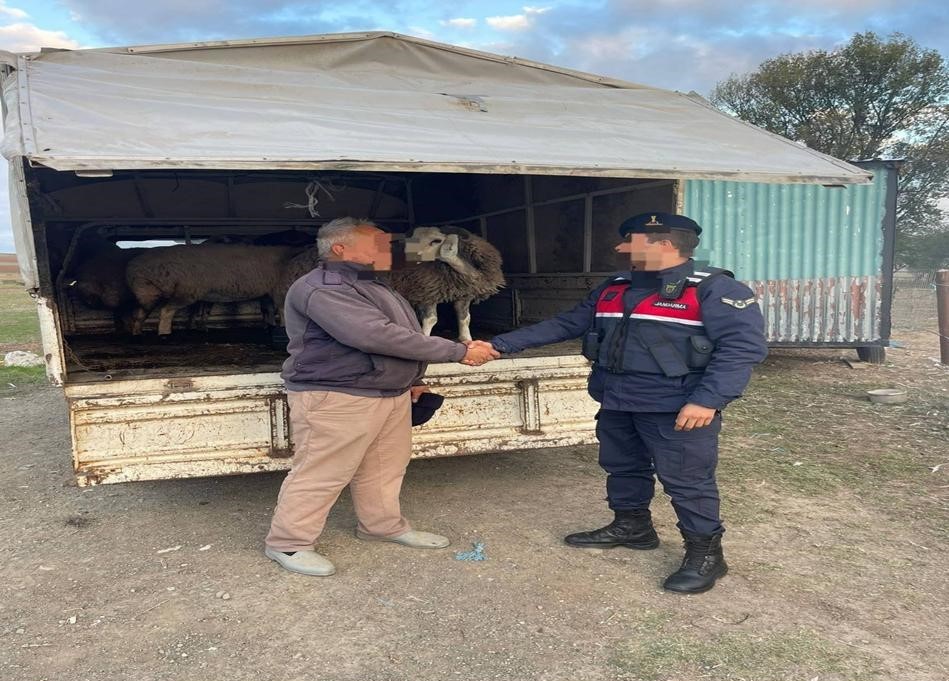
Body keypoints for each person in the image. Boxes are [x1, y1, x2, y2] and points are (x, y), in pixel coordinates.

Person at [490, 212, 767, 593]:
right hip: (617, 399)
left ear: (665, 245)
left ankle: (706, 555)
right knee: (622, 467)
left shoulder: (716, 290)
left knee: (687, 482)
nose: (620, 248)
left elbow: (742, 349)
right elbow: (566, 323)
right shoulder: (614, 287)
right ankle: (633, 526)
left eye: (630, 241)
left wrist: (707, 400)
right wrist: (497, 344)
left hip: (677, 406)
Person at [265, 217, 499, 576]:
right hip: (339, 394)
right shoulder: (323, 287)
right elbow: (375, 336)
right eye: (377, 244)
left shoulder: (375, 284)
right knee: (323, 471)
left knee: (385, 466)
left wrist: (412, 380)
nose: (389, 250)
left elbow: (402, 334)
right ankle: (289, 543)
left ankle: (381, 527)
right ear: (340, 249)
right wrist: (458, 351)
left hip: (385, 391)